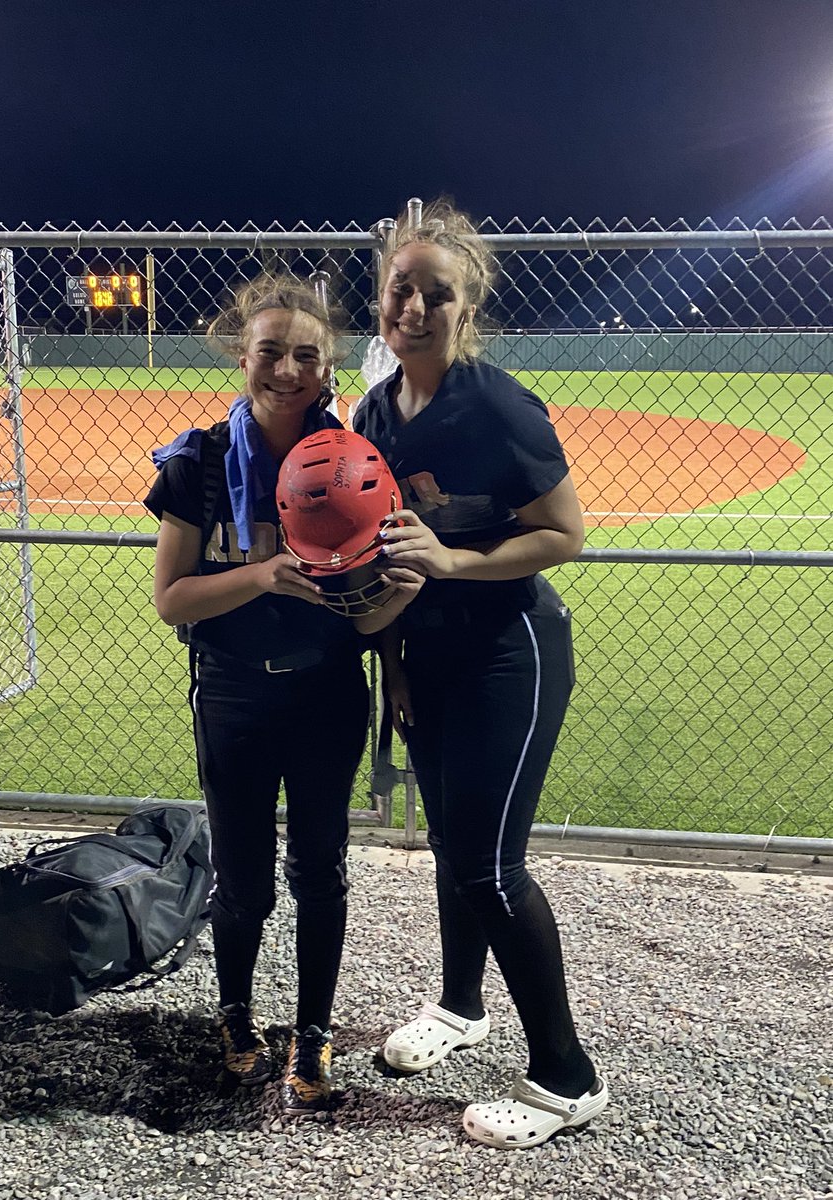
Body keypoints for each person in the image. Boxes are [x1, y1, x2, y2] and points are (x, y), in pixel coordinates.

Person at [351, 200, 608, 1149]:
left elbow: (564, 535)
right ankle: (462, 1008)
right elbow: (380, 552)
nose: (414, 307)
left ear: (469, 308)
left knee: (491, 867)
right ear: (381, 300)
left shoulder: (500, 405)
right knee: (454, 848)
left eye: (437, 294)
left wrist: (453, 562)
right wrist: (394, 663)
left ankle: (567, 1079)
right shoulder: (377, 410)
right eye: (400, 290)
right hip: (432, 658)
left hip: (512, 650)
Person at [144, 276, 415, 1117]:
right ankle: (234, 1017)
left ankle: (313, 1029)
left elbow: (376, 607)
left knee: (321, 872)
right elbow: (171, 600)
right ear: (242, 356)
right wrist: (264, 576)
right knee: (244, 882)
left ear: (330, 365)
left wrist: (395, 628)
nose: (288, 369)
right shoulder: (197, 461)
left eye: (307, 355)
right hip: (231, 694)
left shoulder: (361, 461)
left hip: (329, 696)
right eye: (270, 352)